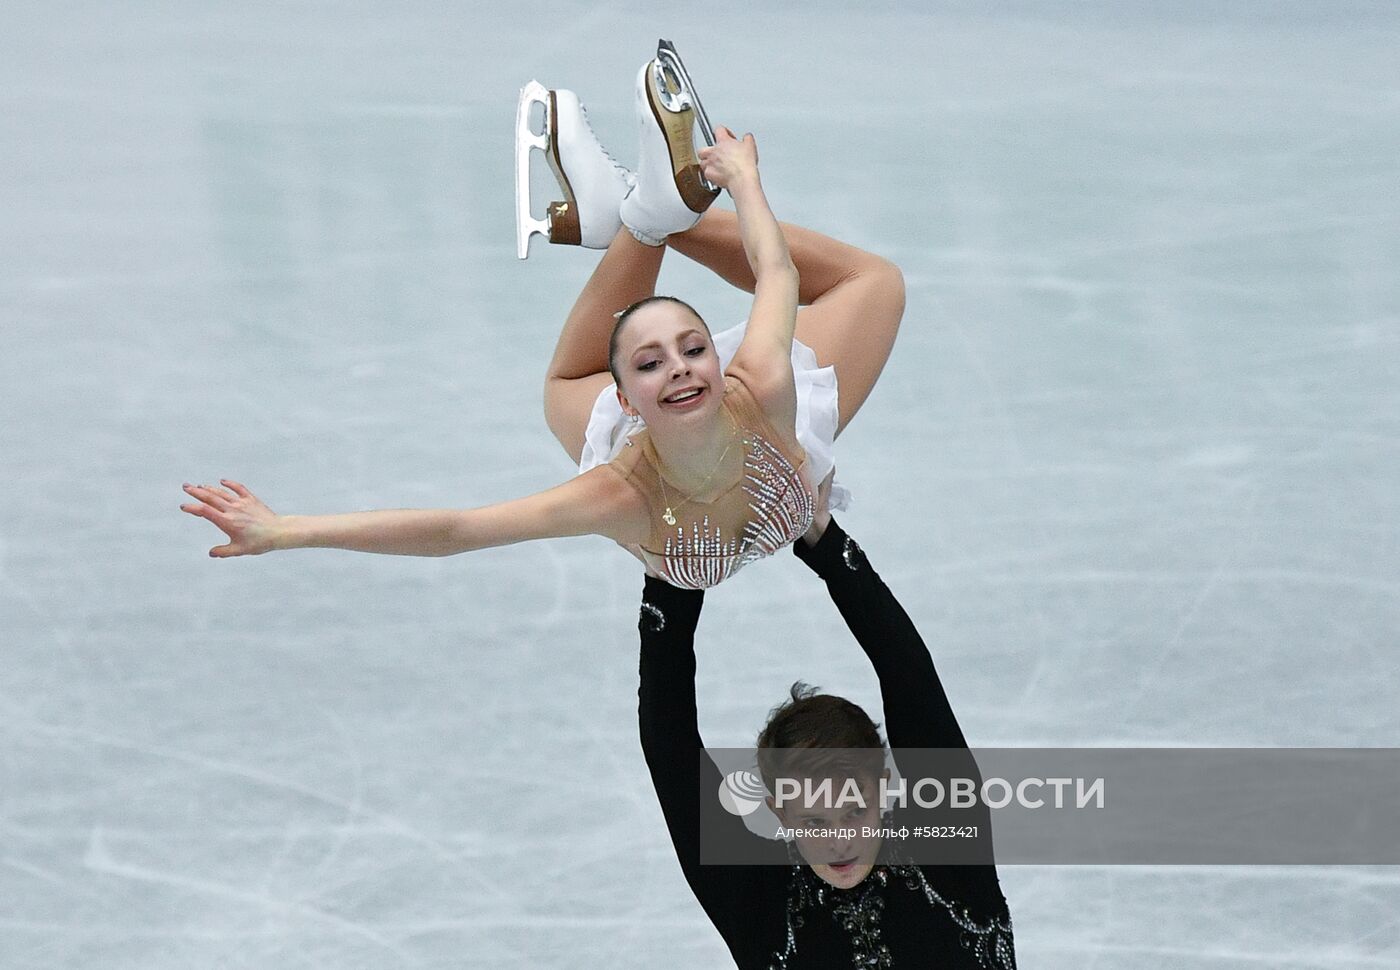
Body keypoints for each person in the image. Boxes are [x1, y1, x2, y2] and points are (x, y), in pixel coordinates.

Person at [182, 53, 904, 591]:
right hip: (667, 474)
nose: (682, 364)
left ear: (723, 362)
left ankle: (646, 213)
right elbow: (457, 531)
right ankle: (642, 211)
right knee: (869, 284)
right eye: (651, 364)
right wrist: (285, 532)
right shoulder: (615, 493)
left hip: (751, 456)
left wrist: (745, 182)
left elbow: (778, 272)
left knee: (874, 284)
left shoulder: (765, 385)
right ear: (623, 400)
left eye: (692, 349)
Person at [636, 488, 1016, 968]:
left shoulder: (947, 857)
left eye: (854, 811)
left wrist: (825, 540)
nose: (840, 840)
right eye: (814, 821)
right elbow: (670, 748)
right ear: (778, 810)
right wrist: (671, 582)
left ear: (883, 788)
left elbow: (910, 678)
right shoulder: (759, 903)